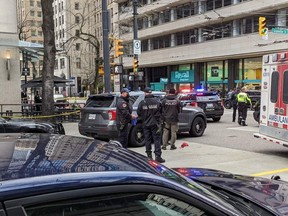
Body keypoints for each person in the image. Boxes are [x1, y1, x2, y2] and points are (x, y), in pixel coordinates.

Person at [137, 87, 165, 163]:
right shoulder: (157, 101)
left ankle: (149, 156)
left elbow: (138, 113)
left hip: (145, 123)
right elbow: (162, 111)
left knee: (147, 139)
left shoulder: (142, 102)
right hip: (156, 123)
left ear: (145, 93)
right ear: (151, 92)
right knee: (157, 140)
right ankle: (158, 156)